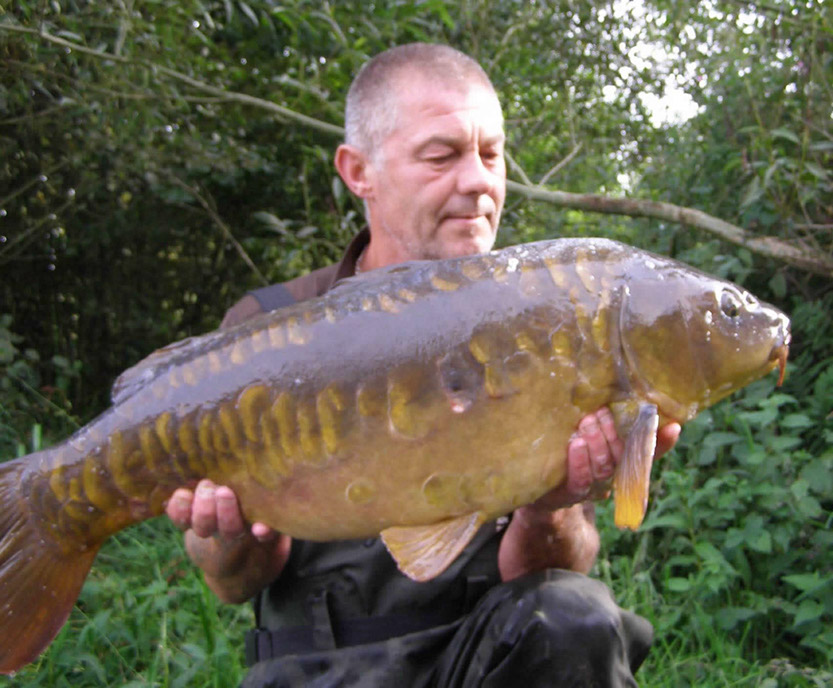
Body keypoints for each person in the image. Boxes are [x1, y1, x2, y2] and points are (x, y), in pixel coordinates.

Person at [166, 43, 680, 687]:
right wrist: (245, 535)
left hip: (484, 655)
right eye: (443, 156)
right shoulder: (269, 334)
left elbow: (553, 583)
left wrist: (549, 505)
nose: (478, 181)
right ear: (359, 171)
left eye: (491, 155)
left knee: (574, 616)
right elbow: (230, 582)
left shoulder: (545, 319)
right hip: (319, 666)